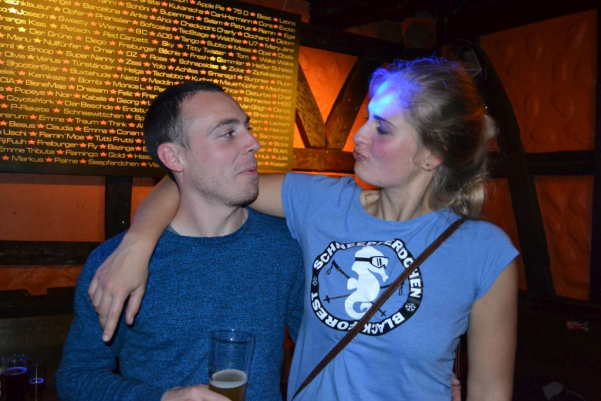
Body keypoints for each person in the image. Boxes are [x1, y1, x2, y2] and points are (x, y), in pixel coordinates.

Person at [89, 57, 518, 400]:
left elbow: (490, 390)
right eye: (367, 118)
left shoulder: (484, 252)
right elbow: (199, 178)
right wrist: (137, 244)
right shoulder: (320, 202)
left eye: (383, 129)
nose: (360, 136)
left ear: (433, 155)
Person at [56, 81, 305, 401]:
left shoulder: (286, 248)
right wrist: (164, 398)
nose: (254, 143)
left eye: (247, 128)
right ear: (173, 156)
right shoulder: (116, 263)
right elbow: (77, 377)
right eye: (228, 133)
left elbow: (322, 351)